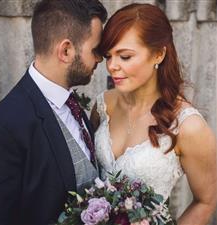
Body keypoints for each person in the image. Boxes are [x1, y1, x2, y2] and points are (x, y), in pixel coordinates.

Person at [91, 3, 217, 225]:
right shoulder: (102, 105)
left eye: (125, 56)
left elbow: (206, 201)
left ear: (158, 54)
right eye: (108, 55)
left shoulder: (189, 126)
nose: (112, 66)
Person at [0, 0, 107, 224]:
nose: (100, 59)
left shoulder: (72, 103)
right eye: (95, 50)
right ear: (66, 51)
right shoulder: (4, 127)